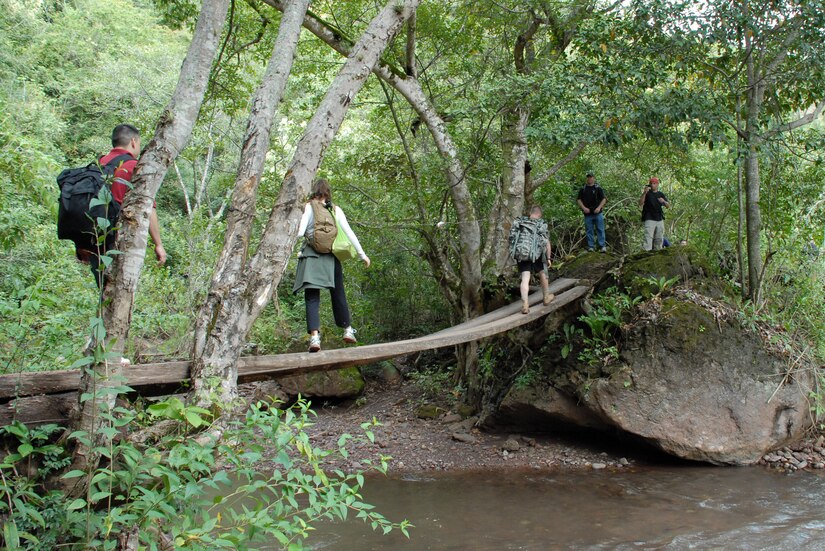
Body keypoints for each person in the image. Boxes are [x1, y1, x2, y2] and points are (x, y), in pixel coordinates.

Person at [80, 124, 167, 284]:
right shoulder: (133, 167)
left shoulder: (97, 165)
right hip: (118, 239)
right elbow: (148, 206)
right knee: (120, 289)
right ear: (133, 142)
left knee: (104, 290)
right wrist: (158, 244)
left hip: (94, 241)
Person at [293, 179, 370, 352]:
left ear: (313, 192)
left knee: (312, 297)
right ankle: (347, 330)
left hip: (312, 255)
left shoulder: (308, 207)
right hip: (331, 256)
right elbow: (349, 233)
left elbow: (299, 233)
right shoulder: (335, 209)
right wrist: (362, 254)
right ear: (328, 193)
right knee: (338, 293)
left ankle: (314, 338)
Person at [511, 205, 555, 314]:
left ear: (530, 213)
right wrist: (548, 258)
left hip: (522, 253)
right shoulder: (540, 224)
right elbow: (547, 243)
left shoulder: (521, 223)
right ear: (539, 214)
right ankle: (546, 297)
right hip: (537, 254)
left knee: (525, 278)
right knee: (542, 273)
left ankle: (525, 304)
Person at [576, 173, 607, 252]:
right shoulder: (583, 189)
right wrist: (584, 208)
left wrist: (599, 207)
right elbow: (579, 199)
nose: (589, 179)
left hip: (598, 213)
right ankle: (591, 246)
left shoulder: (598, 188)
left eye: (591, 177)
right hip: (587, 214)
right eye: (588, 177)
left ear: (594, 178)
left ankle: (602, 246)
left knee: (600, 229)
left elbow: (604, 199)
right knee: (589, 230)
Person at [639, 176, 670, 251]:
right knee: (648, 236)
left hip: (659, 218)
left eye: (654, 183)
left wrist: (663, 201)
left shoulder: (660, 194)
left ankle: (658, 252)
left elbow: (668, 206)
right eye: (651, 183)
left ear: (657, 184)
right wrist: (644, 193)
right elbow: (640, 203)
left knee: (659, 237)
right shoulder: (647, 194)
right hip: (649, 217)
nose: (652, 185)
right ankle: (646, 251)